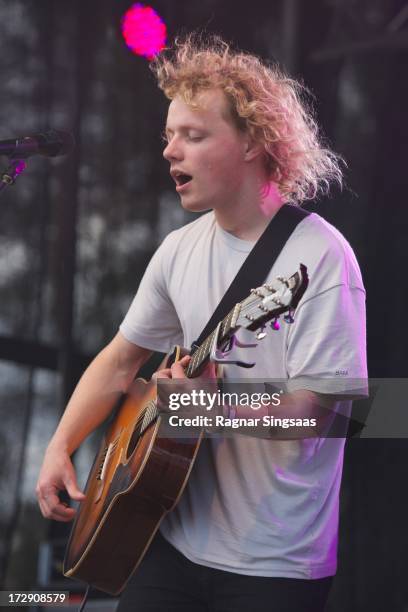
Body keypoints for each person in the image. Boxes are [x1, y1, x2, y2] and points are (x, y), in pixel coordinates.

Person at [36, 35, 367, 612]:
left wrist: (202, 407)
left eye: (193, 135)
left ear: (254, 142)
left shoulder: (322, 257)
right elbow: (120, 362)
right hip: (168, 538)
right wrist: (60, 445)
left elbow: (334, 410)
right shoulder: (178, 250)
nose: (170, 151)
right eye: (168, 136)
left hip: (274, 564)